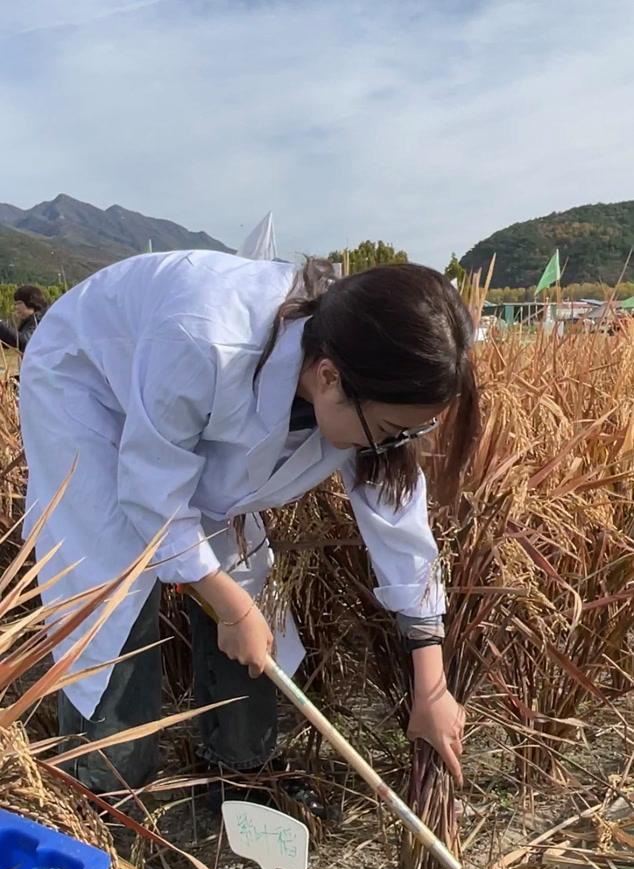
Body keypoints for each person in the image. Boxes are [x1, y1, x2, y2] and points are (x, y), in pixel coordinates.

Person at [20, 251, 479, 808]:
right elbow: (150, 491)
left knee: (243, 573)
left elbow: (400, 527)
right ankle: (110, 794)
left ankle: (241, 773)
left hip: (184, 404)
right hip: (89, 386)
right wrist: (229, 608)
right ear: (329, 377)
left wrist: (431, 689)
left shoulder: (364, 370)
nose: (385, 447)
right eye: (384, 430)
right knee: (111, 586)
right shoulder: (206, 335)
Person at [0, 285, 48, 352]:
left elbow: (25, 341)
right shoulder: (28, 321)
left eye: (19, 303)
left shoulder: (40, 321)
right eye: (15, 304)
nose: (16, 307)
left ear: (31, 303)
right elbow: (11, 342)